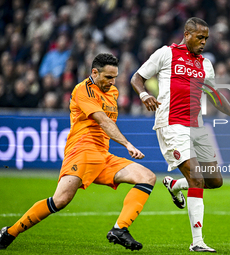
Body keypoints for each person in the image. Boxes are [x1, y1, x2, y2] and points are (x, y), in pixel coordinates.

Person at [0, 53, 156, 251]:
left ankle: (119, 229)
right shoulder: (83, 90)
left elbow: (107, 123)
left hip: (102, 154)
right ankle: (10, 232)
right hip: (81, 150)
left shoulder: (113, 92)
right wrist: (127, 144)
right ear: (94, 72)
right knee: (60, 200)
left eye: (115, 77)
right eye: (108, 77)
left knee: (147, 177)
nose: (112, 81)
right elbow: (103, 121)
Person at [131, 17, 230, 253]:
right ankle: (197, 242)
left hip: (196, 127)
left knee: (214, 181)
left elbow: (215, 96)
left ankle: (174, 186)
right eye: (200, 37)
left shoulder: (205, 64)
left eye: (206, 39)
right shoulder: (166, 54)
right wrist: (143, 95)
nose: (203, 42)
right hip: (171, 124)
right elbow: (137, 77)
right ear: (187, 34)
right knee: (197, 179)